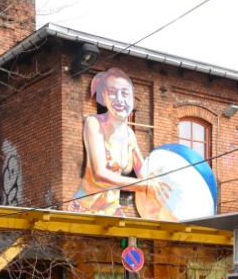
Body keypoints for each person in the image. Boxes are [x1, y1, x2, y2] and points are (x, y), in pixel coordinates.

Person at [68, 68, 171, 217]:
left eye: (124, 93)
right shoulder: (94, 123)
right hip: (84, 211)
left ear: (132, 99)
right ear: (104, 96)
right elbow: (99, 174)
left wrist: (166, 184)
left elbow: (144, 173)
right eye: (112, 92)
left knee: (134, 232)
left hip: (112, 211)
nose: (119, 99)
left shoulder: (130, 135)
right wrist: (143, 186)